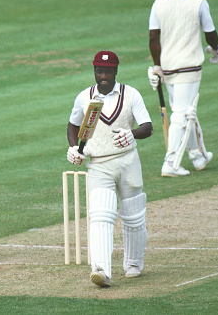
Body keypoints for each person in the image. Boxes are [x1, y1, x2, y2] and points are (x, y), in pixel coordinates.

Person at [67, 51, 153, 288]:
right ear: (94, 71)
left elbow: (148, 127)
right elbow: (73, 124)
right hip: (99, 163)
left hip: (127, 160)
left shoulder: (131, 94)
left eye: (107, 71)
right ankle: (101, 270)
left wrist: (131, 133)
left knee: (133, 216)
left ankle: (134, 263)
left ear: (116, 71)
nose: (103, 75)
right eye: (99, 70)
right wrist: (75, 148)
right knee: (101, 215)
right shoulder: (84, 97)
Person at [147, 0, 218, 177]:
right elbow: (210, 32)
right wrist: (216, 48)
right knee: (182, 112)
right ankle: (170, 162)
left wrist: (157, 66)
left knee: (185, 109)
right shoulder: (199, 1)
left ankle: (198, 155)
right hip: (189, 67)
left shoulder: (159, 2)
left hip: (169, 67)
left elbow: (153, 37)